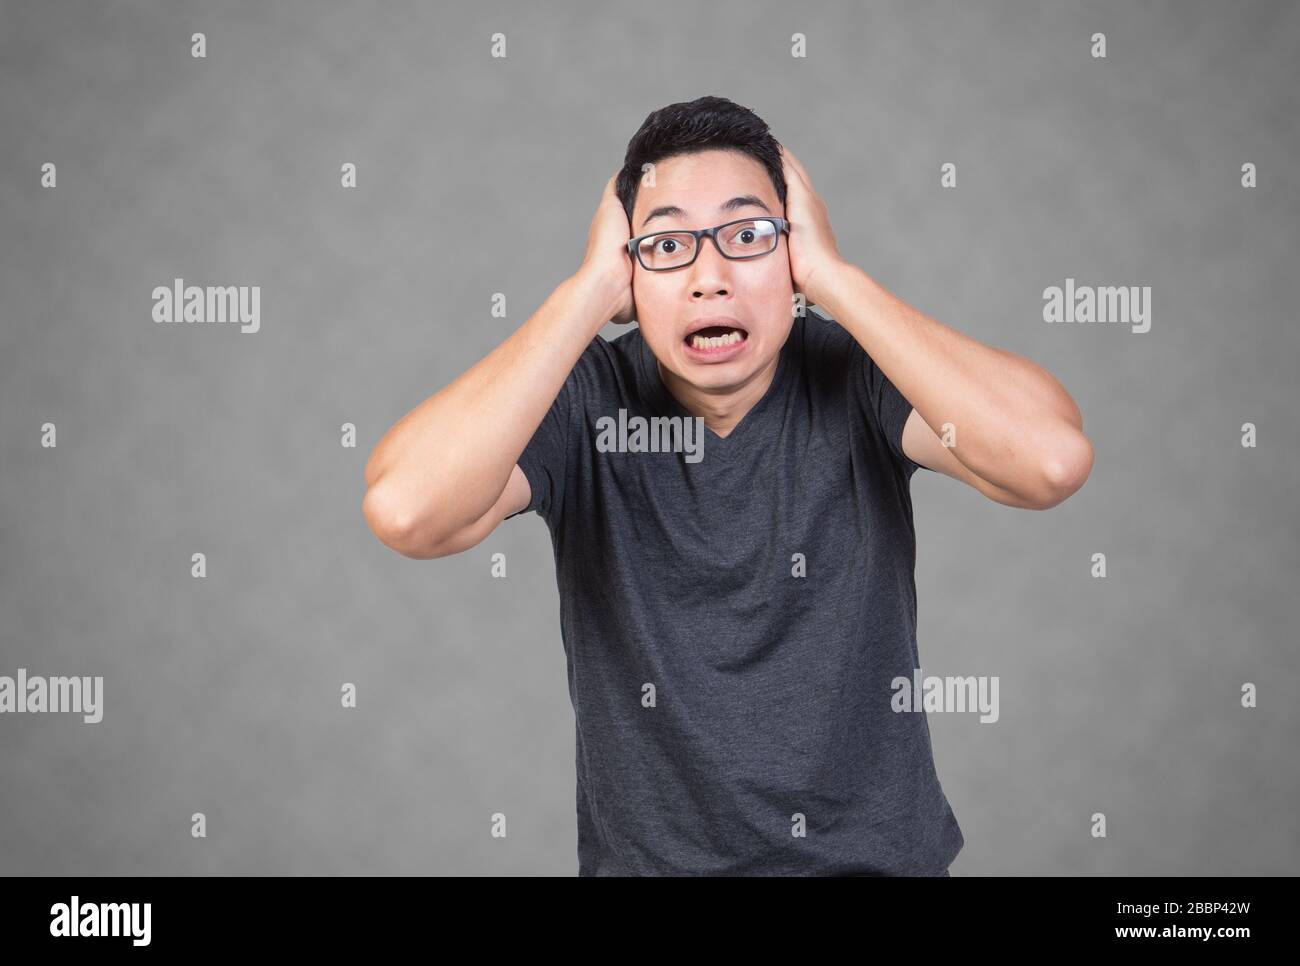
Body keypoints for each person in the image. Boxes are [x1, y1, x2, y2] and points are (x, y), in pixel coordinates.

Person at [362, 95, 1093, 875]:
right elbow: (408, 511)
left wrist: (835, 278)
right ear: (628, 270)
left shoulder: (857, 375)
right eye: (668, 245)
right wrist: (580, 297)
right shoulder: (584, 402)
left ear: (792, 251)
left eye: (748, 236)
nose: (710, 279)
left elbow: (1047, 462)